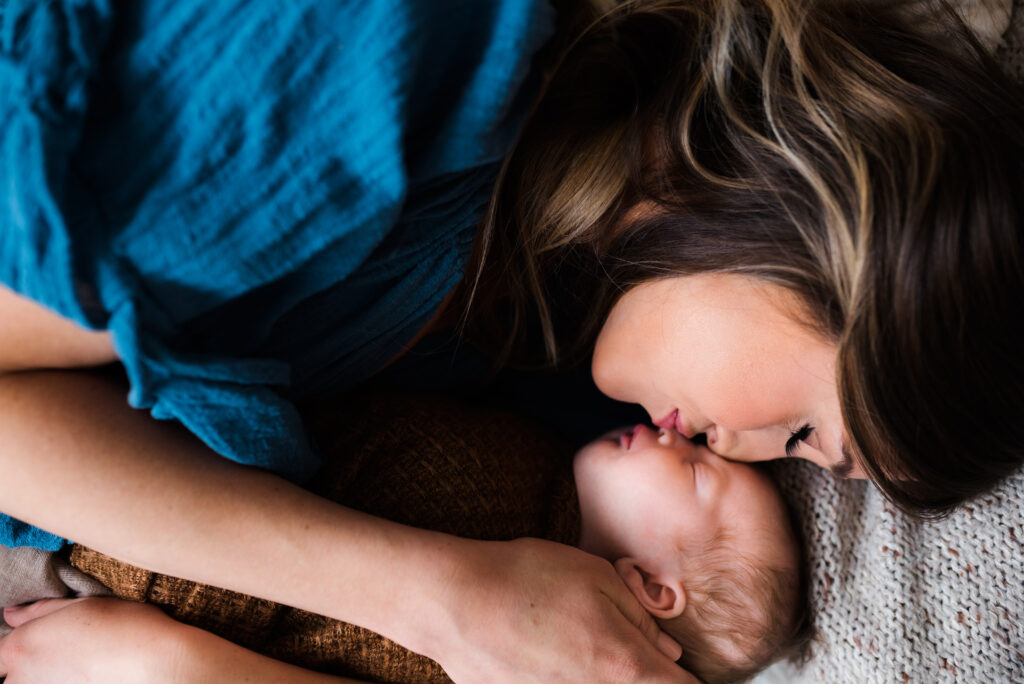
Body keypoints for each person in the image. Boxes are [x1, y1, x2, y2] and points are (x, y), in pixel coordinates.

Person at [0, 0, 1021, 681]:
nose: (746, 456)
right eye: (804, 433)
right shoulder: (401, 57)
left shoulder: (551, 316)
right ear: (830, 243)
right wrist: (435, 596)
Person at [4, 393, 809, 683]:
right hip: (123, 500)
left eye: (696, 474)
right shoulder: (535, 462)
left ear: (653, 588)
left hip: (100, 563)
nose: (680, 435)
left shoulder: (511, 512)